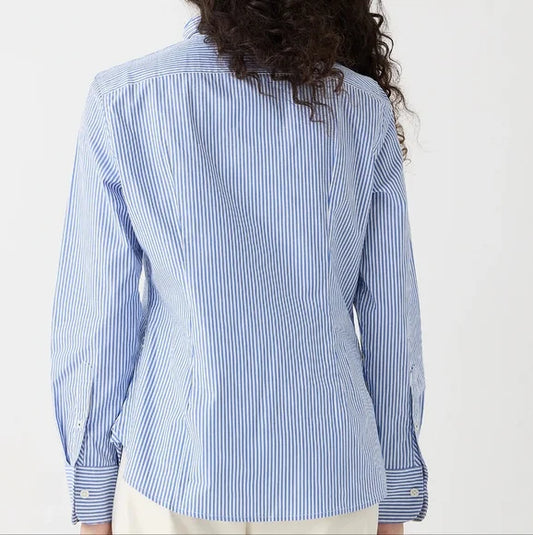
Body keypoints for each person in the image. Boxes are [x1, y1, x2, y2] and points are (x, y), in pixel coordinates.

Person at [50, 2, 428, 535]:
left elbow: (97, 318)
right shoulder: (362, 107)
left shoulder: (125, 97)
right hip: (331, 473)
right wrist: (397, 489)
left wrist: (93, 492)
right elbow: (391, 317)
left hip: (176, 470)